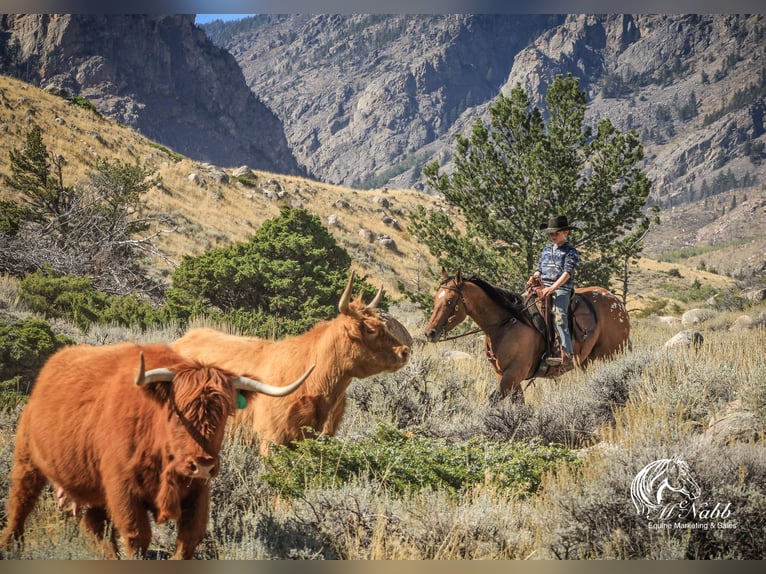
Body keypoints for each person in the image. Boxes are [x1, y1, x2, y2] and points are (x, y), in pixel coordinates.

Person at [527, 214, 580, 373]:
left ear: (566, 233)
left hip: (562, 288)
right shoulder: (546, 249)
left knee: (559, 316)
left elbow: (567, 273)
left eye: (556, 233)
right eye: (551, 233)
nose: (553, 236)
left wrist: (552, 288)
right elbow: (539, 268)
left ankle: (567, 354)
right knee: (522, 304)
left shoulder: (570, 251)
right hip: (542, 286)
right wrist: (535, 275)